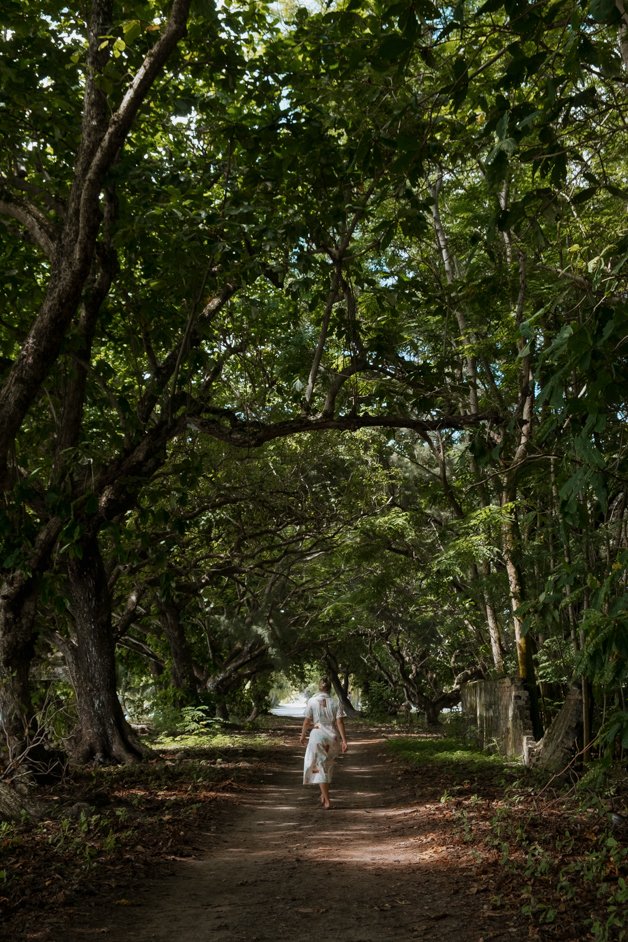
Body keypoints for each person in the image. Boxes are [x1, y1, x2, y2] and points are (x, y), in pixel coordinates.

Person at [299, 677, 348, 809]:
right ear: (330, 688)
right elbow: (339, 722)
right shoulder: (336, 702)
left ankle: (327, 800)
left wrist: (303, 735)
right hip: (332, 737)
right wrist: (344, 740)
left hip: (317, 735)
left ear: (319, 687)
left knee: (319, 766)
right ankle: (323, 794)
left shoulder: (312, 701)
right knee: (327, 765)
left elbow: (307, 721)